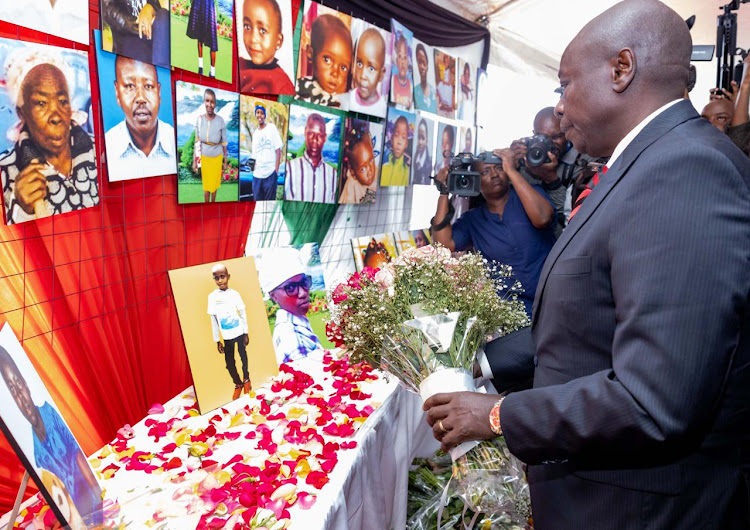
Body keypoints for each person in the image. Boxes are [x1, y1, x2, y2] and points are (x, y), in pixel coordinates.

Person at [423, 1, 750, 528]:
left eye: (565, 84)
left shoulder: (686, 170)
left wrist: (497, 415)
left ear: (622, 70)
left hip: (638, 509)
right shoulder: (648, 163)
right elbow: (591, 316)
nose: (559, 109)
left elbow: (653, 400)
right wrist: (483, 363)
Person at [431, 148, 555, 317]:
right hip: (514, 311)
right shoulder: (473, 220)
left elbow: (542, 218)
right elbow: (443, 244)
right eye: (485, 172)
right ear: (475, 180)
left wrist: (511, 169)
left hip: (553, 295)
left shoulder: (530, 195)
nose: (494, 175)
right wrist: (444, 192)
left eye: (499, 168)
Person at [0, 345, 101, 523]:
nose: (21, 398)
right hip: (74, 518)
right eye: (13, 391)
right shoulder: (36, 454)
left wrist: (100, 502)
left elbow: (77, 454)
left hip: (94, 506)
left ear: (26, 385)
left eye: (19, 385)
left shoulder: (50, 415)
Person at [1, 63, 99, 225]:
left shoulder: (99, 152)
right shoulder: (5, 172)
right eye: (41, 103)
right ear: (22, 113)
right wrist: (22, 211)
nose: (56, 117)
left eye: (62, 102)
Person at [512, 107, 596, 237]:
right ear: (533, 134)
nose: (549, 143)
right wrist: (512, 165)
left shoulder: (583, 160)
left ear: (567, 132)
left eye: (556, 136)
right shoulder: (526, 154)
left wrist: (552, 180)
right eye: (541, 137)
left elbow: (572, 217)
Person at [106, 56, 176, 181]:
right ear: (117, 93)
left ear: (159, 93)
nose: (140, 98)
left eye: (148, 86)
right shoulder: (107, 148)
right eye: (129, 86)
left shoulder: (174, 140)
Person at [260, 248, 323, 364]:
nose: (303, 293)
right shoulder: (295, 338)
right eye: (290, 288)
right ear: (273, 296)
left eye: (304, 283)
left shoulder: (294, 321)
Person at [207, 263, 251, 400]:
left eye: (222, 276)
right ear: (214, 279)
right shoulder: (212, 297)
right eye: (216, 278)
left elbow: (243, 313)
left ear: (228, 277)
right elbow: (213, 319)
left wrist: (246, 332)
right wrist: (217, 340)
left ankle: (246, 379)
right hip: (226, 336)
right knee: (229, 362)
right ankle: (237, 384)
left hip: (239, 332)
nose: (220, 280)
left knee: (243, 356)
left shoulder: (235, 294)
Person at [295, 14, 352, 108]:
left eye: (343, 67)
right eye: (327, 60)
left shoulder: (341, 101)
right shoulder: (299, 87)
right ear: (310, 53)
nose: (335, 73)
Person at [239, 0, 294, 94]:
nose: (253, 39)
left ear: (278, 41)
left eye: (263, 31)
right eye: (247, 27)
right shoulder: (239, 64)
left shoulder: (281, 84)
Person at [285, 113, 337, 203]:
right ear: (305, 133)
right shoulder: (289, 169)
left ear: (325, 138)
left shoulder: (333, 175)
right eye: (311, 133)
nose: (314, 139)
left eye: (319, 135)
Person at [101, 0, 170, 67]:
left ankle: (163, 71)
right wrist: (141, 25)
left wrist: (150, 7)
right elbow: (109, 9)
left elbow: (155, 5)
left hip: (153, 42)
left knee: (163, 15)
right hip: (129, 39)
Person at [193, 89, 227, 203]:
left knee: (214, 186)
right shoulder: (199, 120)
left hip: (217, 158)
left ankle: (213, 203)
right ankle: (207, 205)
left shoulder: (221, 121)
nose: (209, 105)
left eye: (212, 102)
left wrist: (225, 162)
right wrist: (195, 162)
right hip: (205, 158)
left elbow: (224, 143)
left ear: (215, 104)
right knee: (206, 187)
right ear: (204, 102)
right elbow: (197, 142)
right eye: (207, 101)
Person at [346, 28, 387, 116]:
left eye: (371, 69)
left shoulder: (382, 109)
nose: (363, 75)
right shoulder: (349, 98)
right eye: (359, 64)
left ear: (381, 74)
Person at [250, 103, 283, 201]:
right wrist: (253, 170)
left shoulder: (271, 128)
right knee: (257, 204)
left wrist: (275, 172)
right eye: (257, 112)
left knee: (269, 205)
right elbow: (254, 156)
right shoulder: (255, 134)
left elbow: (278, 151)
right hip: (257, 176)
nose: (259, 115)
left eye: (261, 113)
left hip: (270, 174)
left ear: (265, 115)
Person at [339, 128, 377, 204]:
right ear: (353, 173)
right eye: (363, 169)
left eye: (371, 160)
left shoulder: (380, 174)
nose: (370, 172)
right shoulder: (351, 185)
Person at [186, 0, 218, 77]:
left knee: (213, 40)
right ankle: (200, 67)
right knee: (199, 36)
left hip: (209, 5)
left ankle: (212, 72)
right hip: (198, 3)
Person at [381, 115, 411, 186]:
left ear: (406, 144)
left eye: (403, 138)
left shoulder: (407, 172)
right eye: (396, 135)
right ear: (391, 139)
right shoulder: (383, 165)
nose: (399, 142)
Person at [414, 43, 437, 113]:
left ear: (427, 66)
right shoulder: (415, 91)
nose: (422, 67)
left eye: (424, 63)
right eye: (419, 62)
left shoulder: (433, 92)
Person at [391, 34, 412, 107]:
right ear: (396, 61)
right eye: (400, 56)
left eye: (405, 57)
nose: (402, 61)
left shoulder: (410, 84)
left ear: (408, 62)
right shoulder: (393, 79)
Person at [412, 119, 433, 185]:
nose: (420, 142)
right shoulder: (415, 157)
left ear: (427, 140)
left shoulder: (429, 162)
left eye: (423, 138)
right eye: (419, 137)